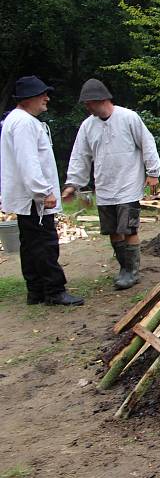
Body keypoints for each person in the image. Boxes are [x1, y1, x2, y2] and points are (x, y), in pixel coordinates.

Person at [63, 79, 160, 290]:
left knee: (129, 229)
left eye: (89, 103)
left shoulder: (128, 118)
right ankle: (124, 268)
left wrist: (153, 172)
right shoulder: (88, 126)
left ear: (102, 99)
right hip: (105, 186)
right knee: (113, 230)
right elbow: (80, 156)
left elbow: (147, 143)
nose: (87, 107)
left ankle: (132, 272)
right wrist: (73, 184)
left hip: (128, 184)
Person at [0, 76, 84, 306]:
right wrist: (42, 192)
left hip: (27, 198)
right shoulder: (24, 123)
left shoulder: (17, 120)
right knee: (45, 244)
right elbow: (29, 162)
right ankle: (54, 291)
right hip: (33, 200)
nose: (46, 98)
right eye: (42, 94)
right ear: (27, 99)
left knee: (30, 244)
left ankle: (36, 291)